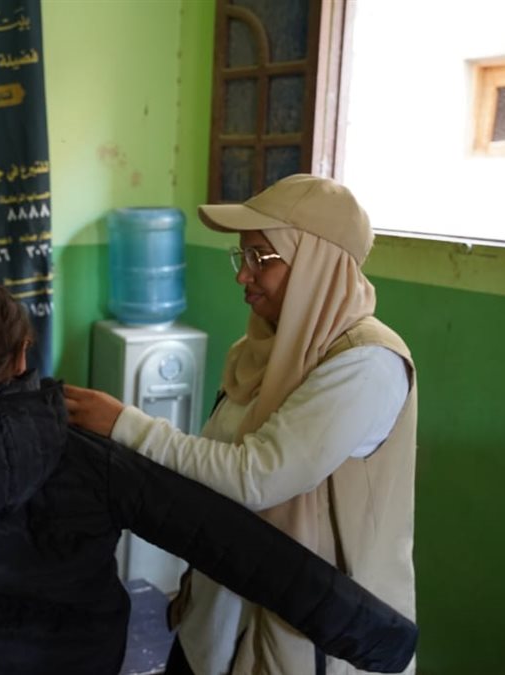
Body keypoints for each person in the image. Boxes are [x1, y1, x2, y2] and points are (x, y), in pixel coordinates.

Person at [0, 281, 417, 675]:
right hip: (79, 661)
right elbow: (221, 537)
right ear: (24, 355)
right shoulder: (88, 451)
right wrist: (377, 636)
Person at [65, 174, 418, 675]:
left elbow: (258, 476)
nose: (243, 276)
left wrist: (125, 425)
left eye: (261, 258)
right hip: (214, 619)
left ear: (316, 264)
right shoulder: (259, 352)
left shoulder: (366, 364)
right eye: (243, 256)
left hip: (303, 638)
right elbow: (214, 474)